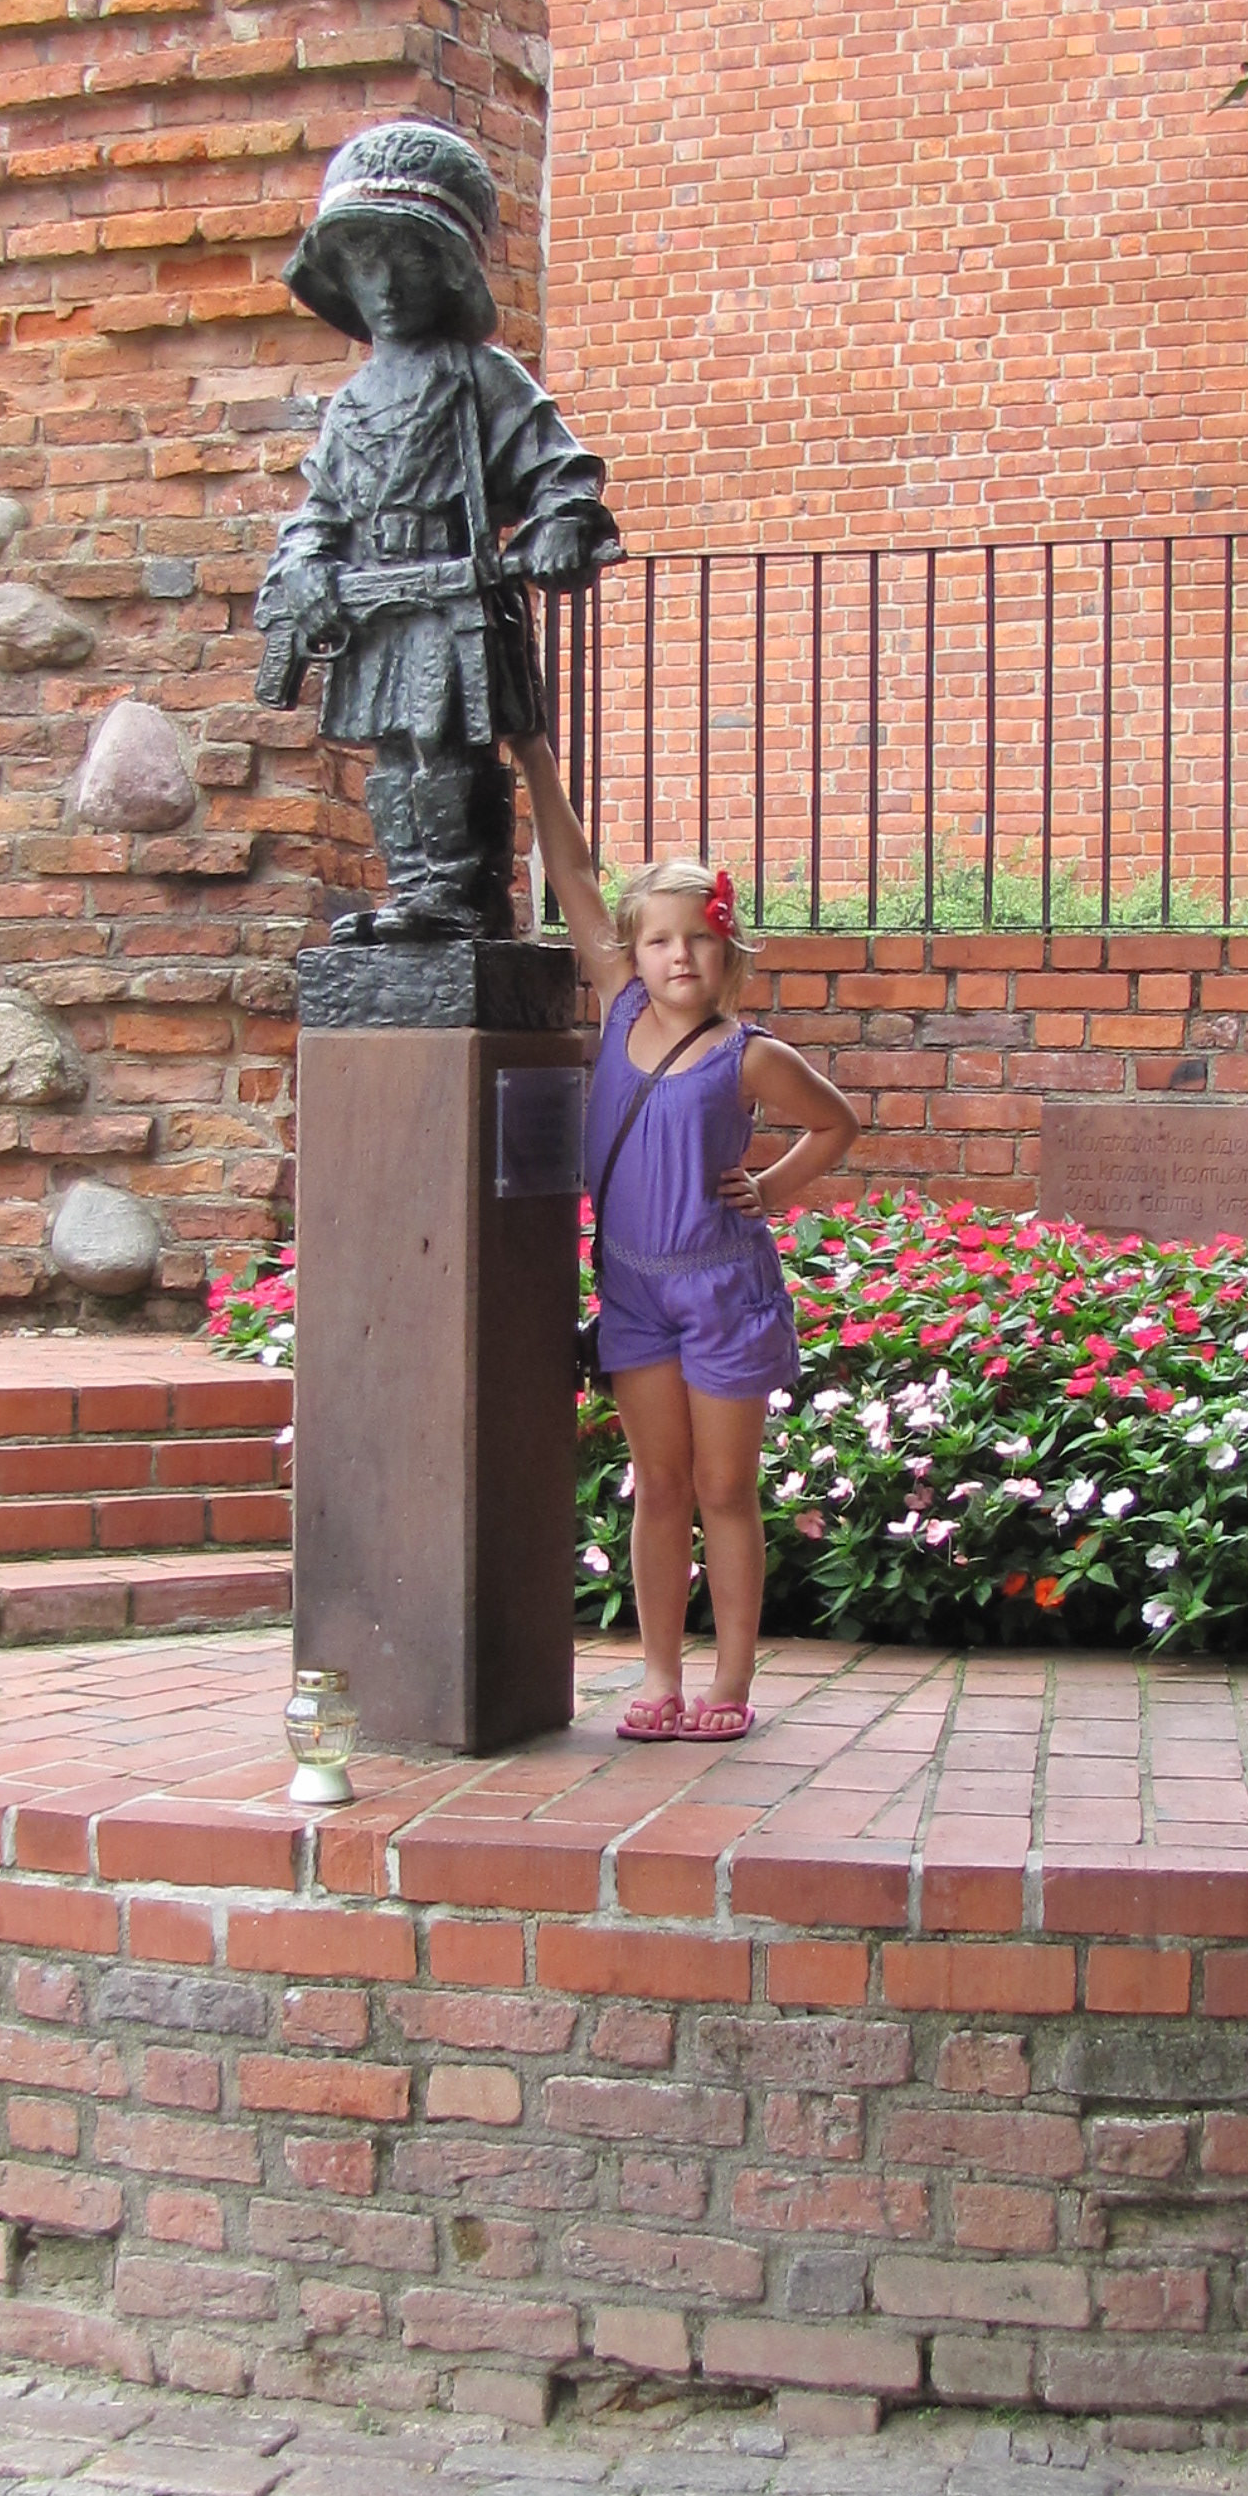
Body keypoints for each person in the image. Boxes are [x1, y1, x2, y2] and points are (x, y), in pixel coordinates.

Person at [514, 731, 859, 1742]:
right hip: (633, 1292)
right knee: (659, 1486)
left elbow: (836, 1122)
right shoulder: (616, 1002)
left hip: (722, 1291)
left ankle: (731, 1684)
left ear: (727, 949)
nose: (677, 957)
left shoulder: (747, 1057)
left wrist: (772, 1184)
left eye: (698, 940)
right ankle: (660, 1678)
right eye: (659, 939)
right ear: (635, 948)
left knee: (724, 1488)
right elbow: (571, 866)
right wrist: (534, 756)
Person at [255, 120, 620, 942]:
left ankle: (460, 897)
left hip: (453, 602)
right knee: (391, 753)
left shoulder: (483, 376)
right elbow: (319, 513)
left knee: (445, 747)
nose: (386, 283)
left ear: (448, 269)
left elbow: (562, 473)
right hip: (376, 606)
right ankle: (411, 890)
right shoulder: (348, 406)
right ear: (340, 273)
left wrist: (562, 525)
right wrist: (308, 566)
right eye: (365, 261)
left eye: (411, 258)